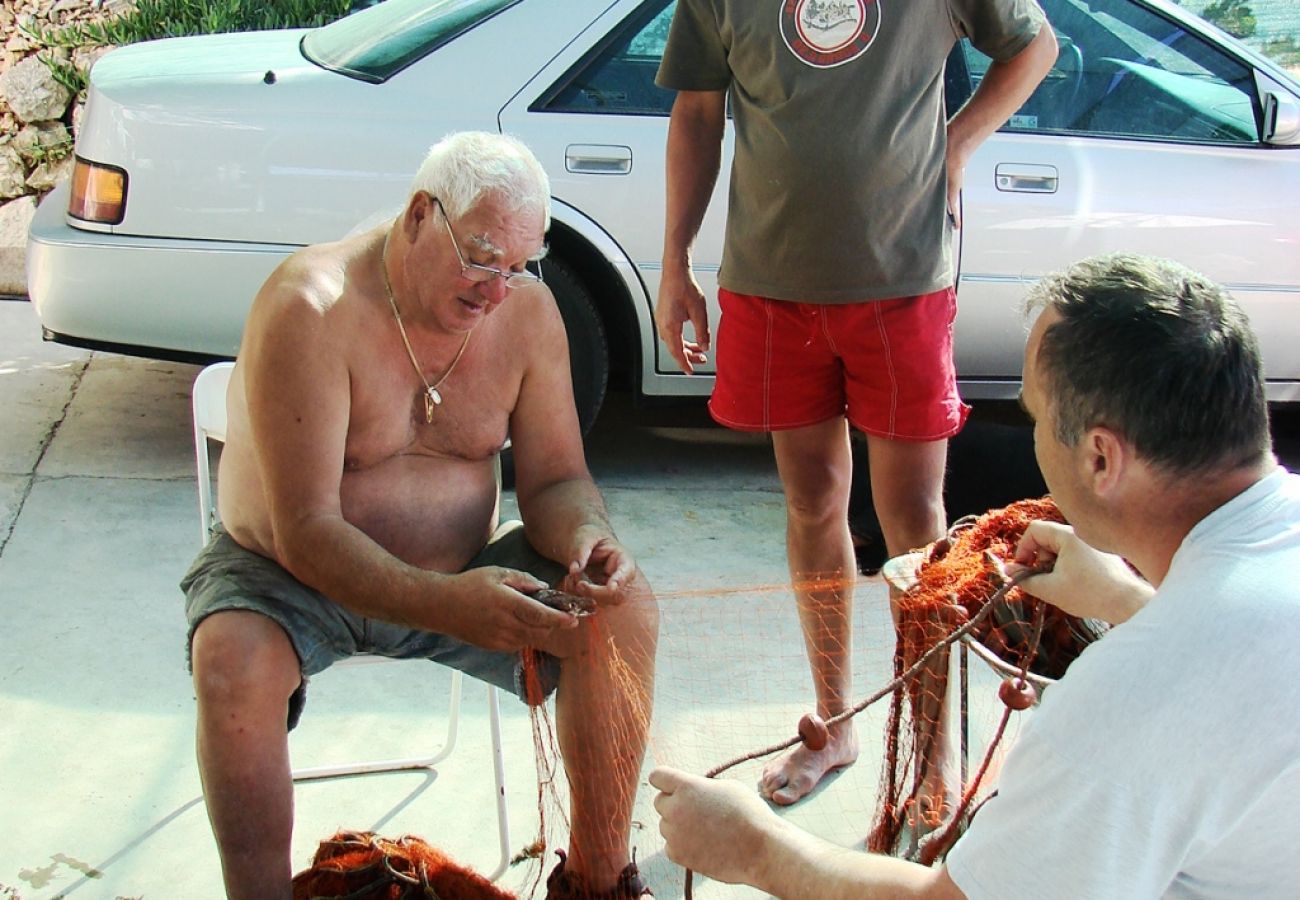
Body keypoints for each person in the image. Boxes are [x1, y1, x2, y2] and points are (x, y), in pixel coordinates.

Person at [650, 253, 1300, 898]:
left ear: (1101, 457)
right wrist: (1129, 600)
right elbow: (1233, 662)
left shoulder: (1128, 701)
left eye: (1037, 419)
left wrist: (758, 849)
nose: (1036, 439)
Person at [181, 131, 658, 900]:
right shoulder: (311, 304)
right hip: (287, 576)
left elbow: (556, 481)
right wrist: (448, 605)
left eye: (518, 265)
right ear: (416, 215)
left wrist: (587, 537)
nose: (496, 289)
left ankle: (598, 884)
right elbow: (305, 528)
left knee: (621, 612)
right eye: (479, 256)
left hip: (462, 572)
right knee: (230, 662)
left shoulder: (526, 313)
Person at [653, 0, 1058, 810]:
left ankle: (933, 753)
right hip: (771, 282)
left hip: (902, 282)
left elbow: (1034, 46)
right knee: (813, 503)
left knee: (914, 520)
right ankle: (834, 725)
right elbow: (697, 112)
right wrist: (675, 262)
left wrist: (954, 147)